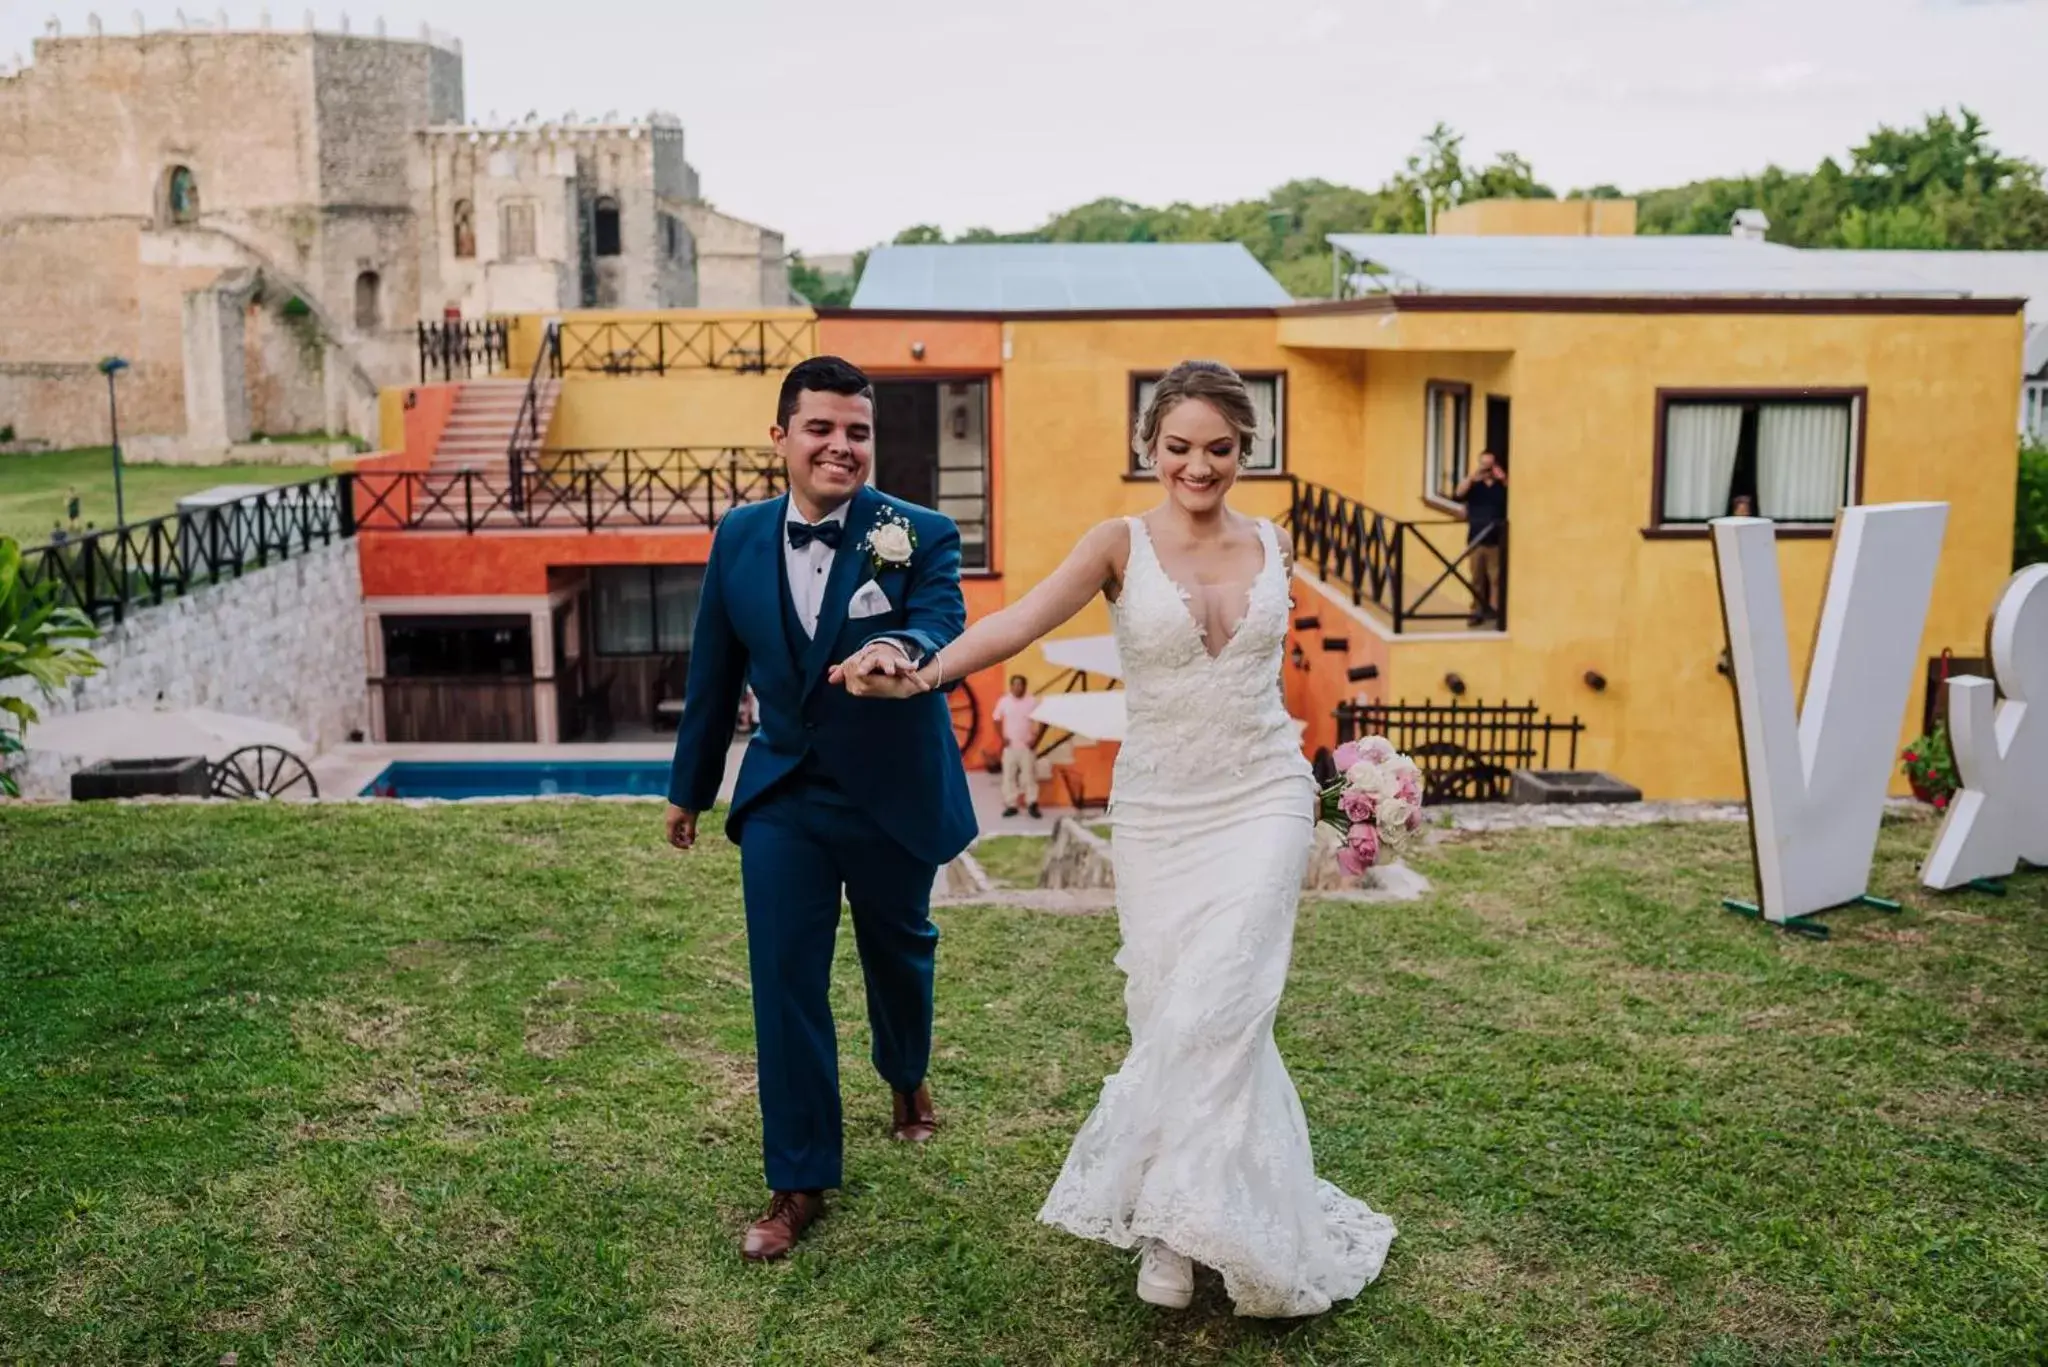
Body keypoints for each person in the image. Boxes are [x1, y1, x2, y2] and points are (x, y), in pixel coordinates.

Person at [832, 360, 1395, 1318]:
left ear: (1244, 450)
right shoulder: (1116, 543)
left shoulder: (1276, 541)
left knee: (1229, 995)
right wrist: (923, 672)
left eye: (1219, 448)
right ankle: (1184, 1219)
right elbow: (1012, 620)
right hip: (1161, 811)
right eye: (1179, 447)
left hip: (1263, 791)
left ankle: (1178, 1227)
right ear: (1150, 447)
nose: (1198, 465)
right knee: (1169, 1000)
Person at [662, 355, 976, 1263]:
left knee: (900, 950)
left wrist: (894, 643)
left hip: (890, 791)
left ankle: (906, 1073)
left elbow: (940, 618)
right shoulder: (738, 536)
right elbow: (713, 670)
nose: (842, 445)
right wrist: (690, 788)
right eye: (823, 428)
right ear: (782, 438)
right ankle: (798, 1180)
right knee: (785, 982)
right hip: (784, 796)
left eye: (858, 431)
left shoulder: (918, 532)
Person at [1454, 450, 1507, 626]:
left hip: (1496, 539)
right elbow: (1458, 495)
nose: (1487, 470)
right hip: (1476, 538)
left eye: (1490, 466)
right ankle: (1476, 611)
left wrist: (1504, 478)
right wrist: (1471, 478)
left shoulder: (1502, 486)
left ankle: (1494, 611)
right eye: (1483, 465)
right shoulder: (1474, 486)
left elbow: (1517, 495)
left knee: (1496, 579)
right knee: (1476, 578)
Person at [991, 674, 1043, 818]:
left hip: (1027, 747)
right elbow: (995, 719)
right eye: (1015, 684)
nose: (1017, 687)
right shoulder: (1004, 701)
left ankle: (1032, 804)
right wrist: (1002, 738)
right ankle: (1011, 805)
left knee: (1029, 776)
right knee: (1009, 776)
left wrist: (1036, 740)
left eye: (1020, 684)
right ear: (1011, 686)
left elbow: (1044, 720)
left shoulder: (1032, 701)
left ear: (1024, 686)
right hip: (1010, 747)